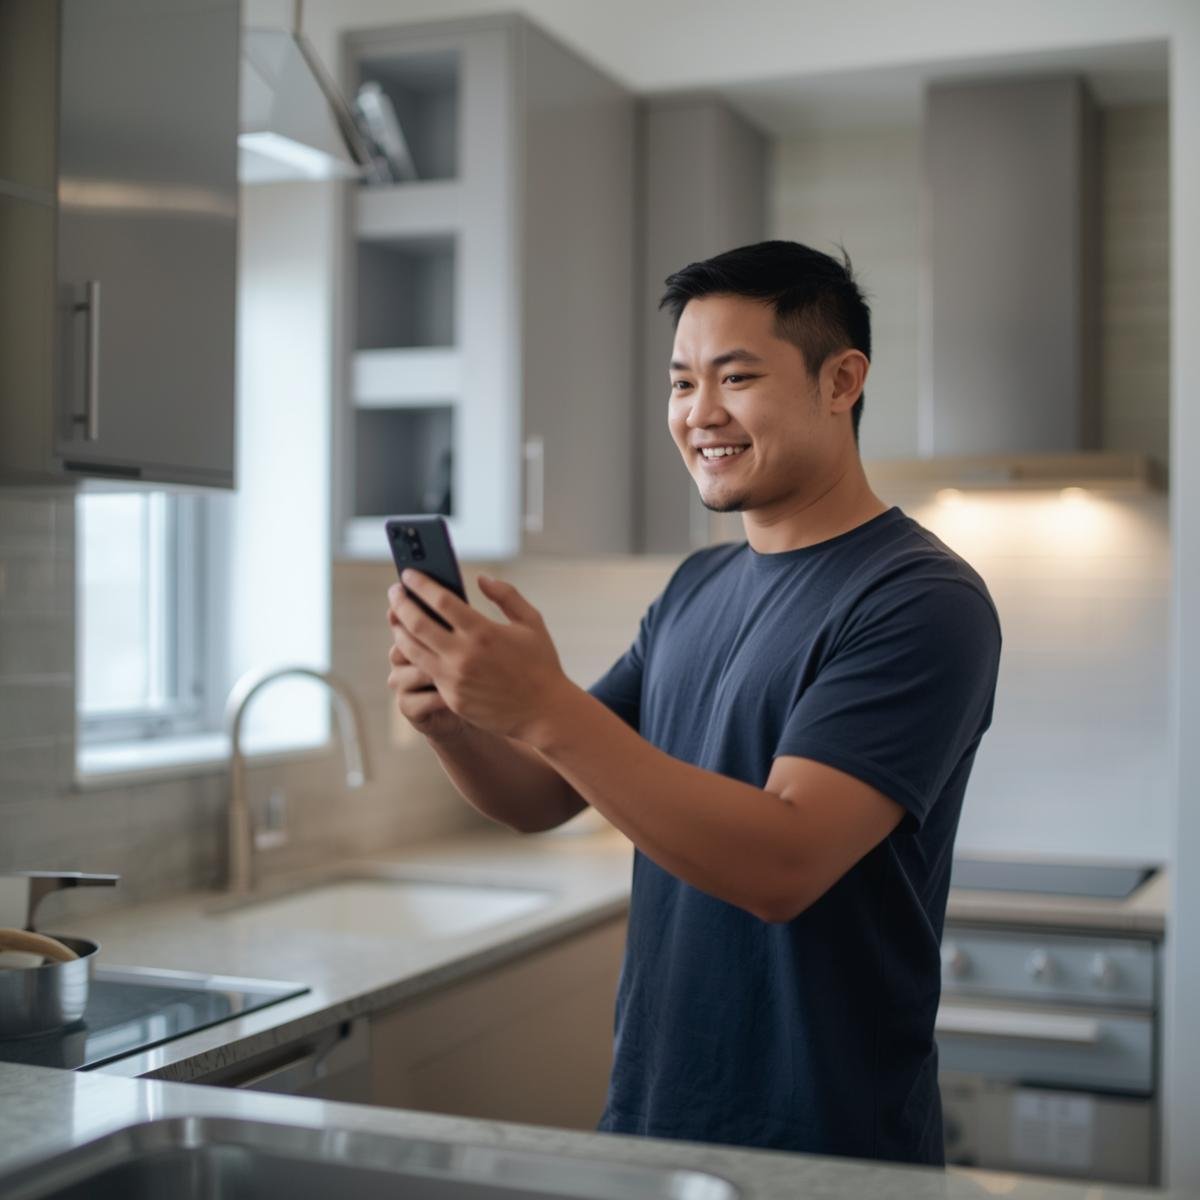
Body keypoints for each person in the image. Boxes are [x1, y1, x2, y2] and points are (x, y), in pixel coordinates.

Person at [386, 240, 1002, 1166]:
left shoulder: (919, 599)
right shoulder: (696, 587)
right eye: (680, 384)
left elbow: (784, 864)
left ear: (841, 381)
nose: (699, 414)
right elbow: (543, 797)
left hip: (824, 1152)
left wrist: (545, 703)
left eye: (736, 377)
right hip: (650, 1123)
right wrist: (456, 721)